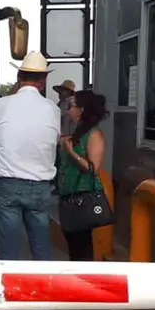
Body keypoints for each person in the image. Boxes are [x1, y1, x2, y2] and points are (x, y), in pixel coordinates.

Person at [0, 51, 61, 310]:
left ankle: (10, 306)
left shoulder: (0, 105)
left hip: (8, 185)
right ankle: (44, 304)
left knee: (9, 248)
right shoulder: (53, 109)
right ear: (42, 81)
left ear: (19, 77)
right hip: (40, 187)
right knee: (40, 247)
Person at [56, 90, 110, 261]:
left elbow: (93, 168)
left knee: (81, 244)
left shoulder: (94, 134)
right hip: (69, 193)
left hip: (83, 195)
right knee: (73, 243)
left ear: (81, 110)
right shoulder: (76, 133)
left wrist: (72, 153)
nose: (67, 110)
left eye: (71, 106)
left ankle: (83, 279)